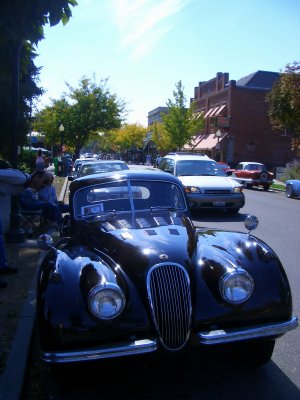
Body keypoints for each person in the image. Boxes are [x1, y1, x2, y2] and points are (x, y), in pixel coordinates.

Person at [0, 166, 53, 287]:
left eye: (47, 185)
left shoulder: (24, 185)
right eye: (44, 182)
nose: (43, 186)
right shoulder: (19, 178)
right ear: (37, 176)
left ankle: (2, 266)